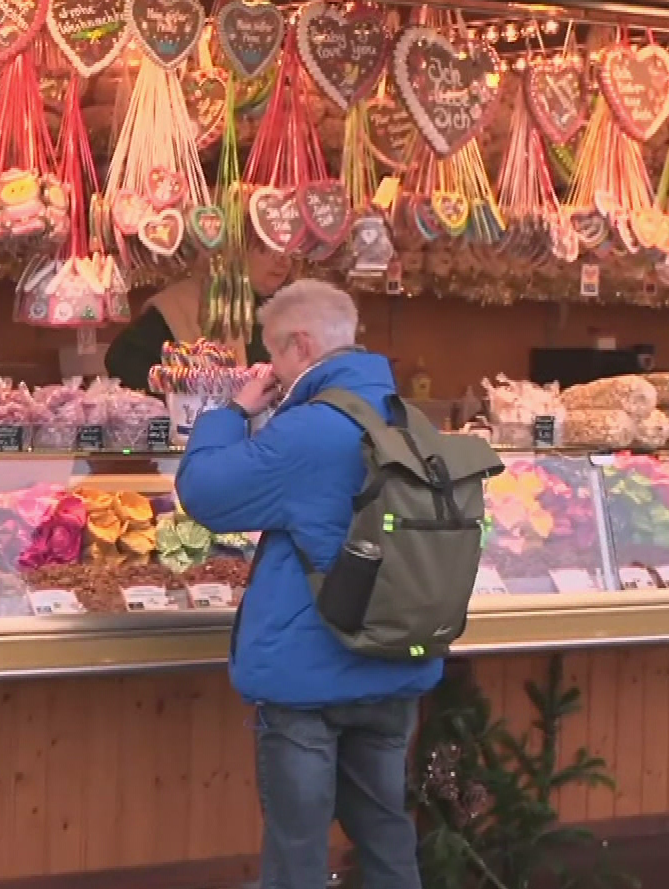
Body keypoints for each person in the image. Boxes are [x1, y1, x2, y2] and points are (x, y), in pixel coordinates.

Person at [174, 280, 437, 889]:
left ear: (301, 344)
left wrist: (233, 413)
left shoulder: (313, 428)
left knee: (298, 850)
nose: (276, 373)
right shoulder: (410, 419)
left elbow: (206, 494)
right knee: (388, 836)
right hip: (395, 656)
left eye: (275, 356)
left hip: (308, 671)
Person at [104, 245, 294, 392]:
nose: (283, 260)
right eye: (266, 249)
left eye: (289, 251)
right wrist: (180, 390)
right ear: (235, 250)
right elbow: (123, 359)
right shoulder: (184, 302)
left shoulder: (290, 306)